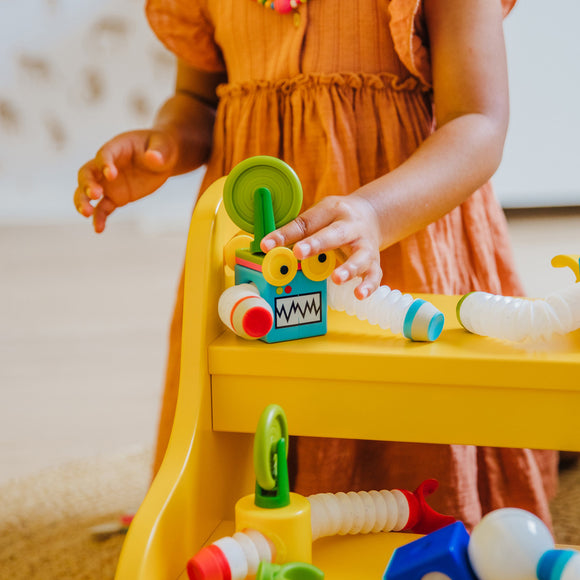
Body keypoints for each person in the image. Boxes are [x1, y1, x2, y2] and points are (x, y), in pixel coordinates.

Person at [74, 0, 558, 530]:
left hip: (398, 238)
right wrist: (164, 143)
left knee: (398, 404)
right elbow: (198, 99)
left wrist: (374, 213)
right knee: (245, 389)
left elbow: (478, 121)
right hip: (257, 256)